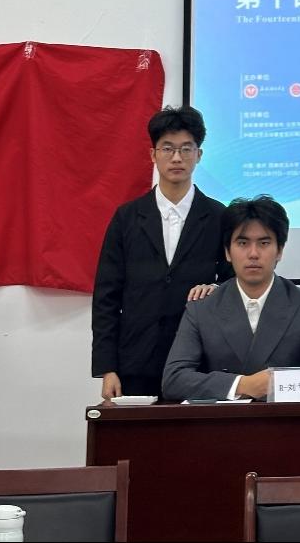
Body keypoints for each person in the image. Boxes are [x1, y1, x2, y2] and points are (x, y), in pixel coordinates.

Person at [92, 105, 231, 400]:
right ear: (153, 154)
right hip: (136, 362)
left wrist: (216, 289)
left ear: (199, 155)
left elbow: (235, 284)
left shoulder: (219, 217)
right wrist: (107, 368)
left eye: (186, 149)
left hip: (200, 363)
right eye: (167, 148)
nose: (177, 158)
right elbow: (106, 298)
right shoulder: (127, 217)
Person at [161, 195, 300, 401]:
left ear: (279, 251)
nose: (253, 254)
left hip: (285, 419)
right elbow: (174, 380)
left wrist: (272, 384)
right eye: (242, 243)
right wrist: (243, 385)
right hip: (224, 420)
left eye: (264, 243)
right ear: (227, 252)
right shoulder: (202, 308)